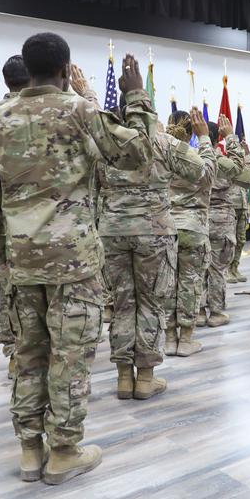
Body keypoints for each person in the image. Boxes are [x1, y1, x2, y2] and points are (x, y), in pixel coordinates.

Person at [0, 32, 155, 485]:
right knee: (69, 357)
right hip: (74, 263)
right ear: (64, 68)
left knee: (28, 355)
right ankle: (64, 452)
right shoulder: (80, 110)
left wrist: (9, 254)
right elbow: (140, 155)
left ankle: (30, 452)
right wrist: (136, 95)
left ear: (26, 69)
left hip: (21, 262)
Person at [96, 101, 208, 401]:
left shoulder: (105, 142)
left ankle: (123, 377)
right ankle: (145, 379)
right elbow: (198, 169)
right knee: (150, 304)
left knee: (121, 304)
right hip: (154, 233)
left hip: (113, 232)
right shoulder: (161, 141)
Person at [0, 55, 30, 379]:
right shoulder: (43, 112)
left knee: (8, 291)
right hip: (46, 229)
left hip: (1, 225)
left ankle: (15, 355)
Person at [163, 109, 219, 355]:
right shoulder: (195, 158)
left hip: (166, 228)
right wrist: (205, 137)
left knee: (166, 284)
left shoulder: (161, 155)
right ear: (191, 132)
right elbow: (210, 175)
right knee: (190, 283)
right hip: (193, 229)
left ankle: (168, 338)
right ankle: (185, 340)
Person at [200, 116, 250, 327]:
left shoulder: (193, 157)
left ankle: (196, 313)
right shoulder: (222, 162)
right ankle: (215, 313)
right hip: (220, 221)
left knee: (197, 269)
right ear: (218, 140)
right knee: (216, 269)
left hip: (197, 219)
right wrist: (242, 151)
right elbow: (248, 178)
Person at [227, 140, 250, 283]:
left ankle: (234, 268)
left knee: (241, 240)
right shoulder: (229, 164)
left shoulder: (244, 166)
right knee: (230, 241)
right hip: (231, 206)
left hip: (243, 206)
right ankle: (226, 270)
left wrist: (248, 155)